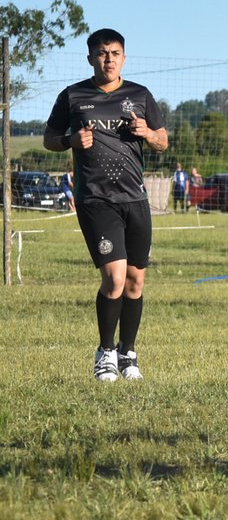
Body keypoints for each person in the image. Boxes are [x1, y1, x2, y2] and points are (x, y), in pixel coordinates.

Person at [42, 28, 169, 381]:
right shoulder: (73, 96)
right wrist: (71, 140)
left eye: (114, 53)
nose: (108, 59)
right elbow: (49, 138)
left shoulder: (140, 95)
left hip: (135, 198)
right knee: (114, 279)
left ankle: (129, 354)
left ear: (124, 58)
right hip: (96, 200)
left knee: (135, 282)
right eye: (101, 53)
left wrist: (147, 133)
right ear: (90, 58)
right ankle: (105, 354)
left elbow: (162, 141)